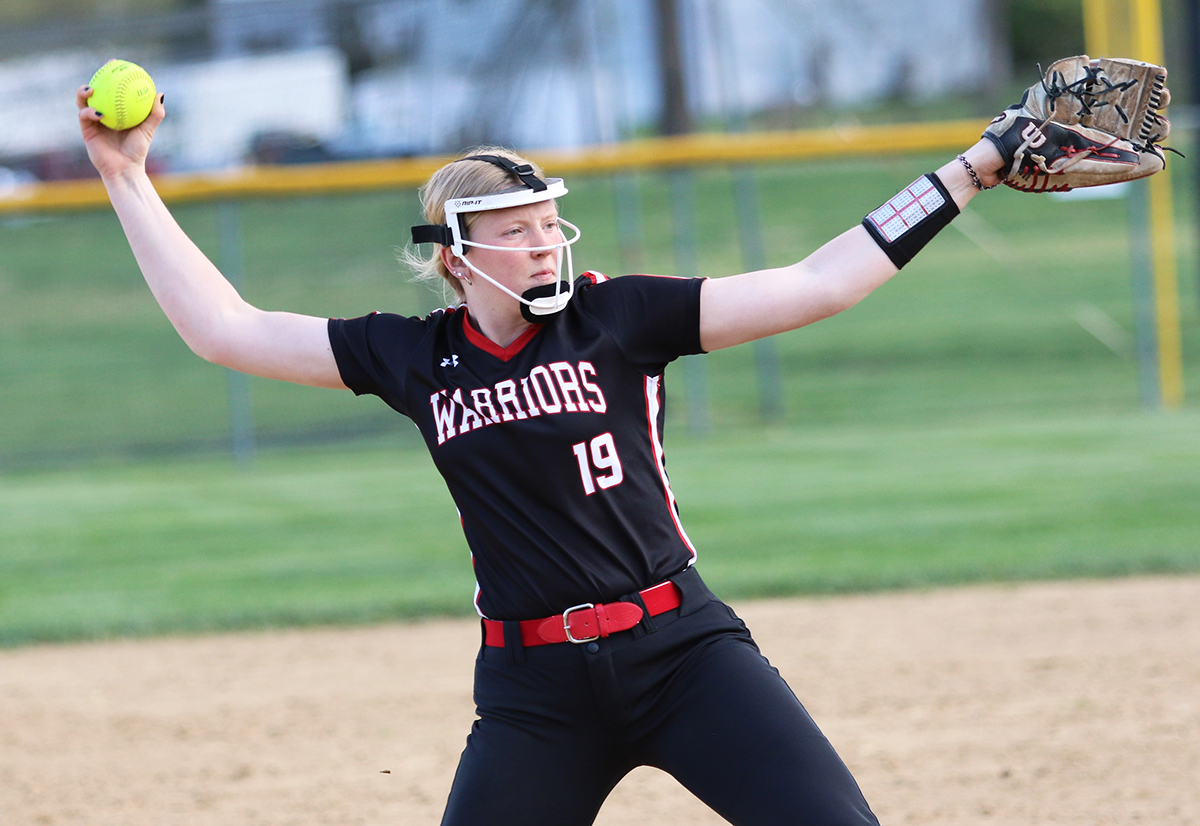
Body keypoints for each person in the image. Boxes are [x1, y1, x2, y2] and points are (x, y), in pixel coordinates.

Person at [77, 84, 1006, 826]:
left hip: (682, 653)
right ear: (454, 255)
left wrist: (976, 165)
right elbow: (223, 329)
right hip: (535, 690)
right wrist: (126, 175)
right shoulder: (415, 357)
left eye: (545, 221)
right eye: (512, 231)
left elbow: (820, 281)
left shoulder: (618, 318)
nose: (540, 244)